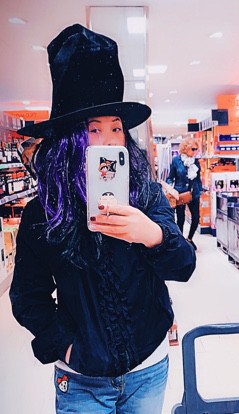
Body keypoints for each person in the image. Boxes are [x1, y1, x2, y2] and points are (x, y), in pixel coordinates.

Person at [9, 24, 196, 414]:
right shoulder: (43, 213)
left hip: (149, 368)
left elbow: (184, 265)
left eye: (116, 127)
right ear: (69, 140)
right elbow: (27, 297)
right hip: (81, 381)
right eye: (94, 129)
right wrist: (67, 346)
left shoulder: (146, 194)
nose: (110, 139)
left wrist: (152, 234)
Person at [166, 137, 203, 250]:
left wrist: (200, 190)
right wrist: (170, 188)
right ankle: (180, 242)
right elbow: (170, 177)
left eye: (196, 149)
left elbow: (198, 178)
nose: (195, 151)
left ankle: (189, 239)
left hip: (194, 193)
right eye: (193, 149)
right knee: (180, 219)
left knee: (196, 217)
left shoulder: (196, 162)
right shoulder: (176, 161)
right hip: (180, 194)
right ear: (186, 148)